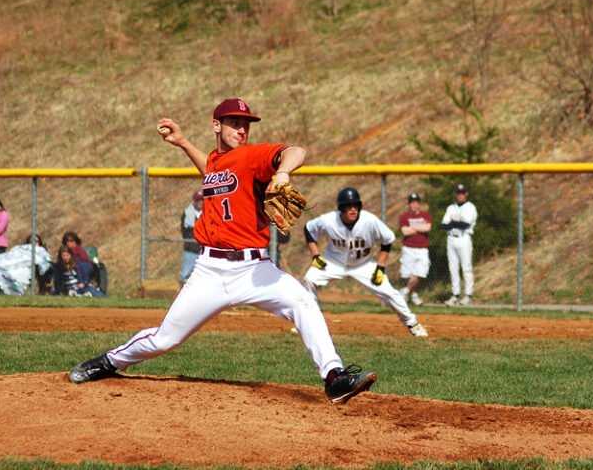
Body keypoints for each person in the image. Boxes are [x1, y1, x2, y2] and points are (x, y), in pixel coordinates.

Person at [68, 98, 376, 405]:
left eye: (245, 124)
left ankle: (334, 378)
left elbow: (297, 151)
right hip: (209, 271)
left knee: (303, 302)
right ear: (217, 126)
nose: (242, 129)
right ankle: (109, 361)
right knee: (165, 339)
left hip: (255, 270)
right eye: (234, 123)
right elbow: (211, 169)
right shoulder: (217, 161)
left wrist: (282, 173)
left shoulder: (252, 156)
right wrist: (183, 142)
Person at [302, 187, 429, 337]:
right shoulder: (329, 220)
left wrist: (381, 266)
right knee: (309, 279)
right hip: (333, 261)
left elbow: (387, 239)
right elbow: (308, 229)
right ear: (341, 208)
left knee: (390, 293)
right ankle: (308, 323)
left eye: (355, 205)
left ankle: (412, 323)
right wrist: (315, 255)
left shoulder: (369, 220)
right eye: (348, 206)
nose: (353, 209)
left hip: (363, 264)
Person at [442, 183, 478, 306]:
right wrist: (455, 223)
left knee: (466, 268)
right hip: (451, 238)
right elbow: (444, 225)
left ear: (466, 194)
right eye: (458, 193)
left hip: (464, 238)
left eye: (462, 193)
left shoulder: (470, 207)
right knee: (453, 268)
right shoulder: (451, 207)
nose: (460, 195)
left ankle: (468, 295)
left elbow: (466, 224)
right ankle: (455, 294)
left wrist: (453, 222)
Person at [398, 192, 431, 306]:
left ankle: (405, 291)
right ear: (409, 204)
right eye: (412, 203)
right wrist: (419, 227)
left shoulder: (425, 215)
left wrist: (412, 227)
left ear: (419, 204)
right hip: (408, 248)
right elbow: (404, 231)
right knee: (409, 274)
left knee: (421, 272)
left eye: (416, 202)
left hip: (422, 249)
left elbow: (427, 228)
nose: (414, 205)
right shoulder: (404, 217)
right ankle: (414, 296)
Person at [180, 190, 203, 283]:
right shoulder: (187, 212)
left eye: (202, 200)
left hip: (203, 252)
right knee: (185, 275)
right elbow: (185, 230)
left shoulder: (207, 213)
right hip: (190, 250)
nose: (200, 202)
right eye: (198, 200)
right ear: (194, 201)